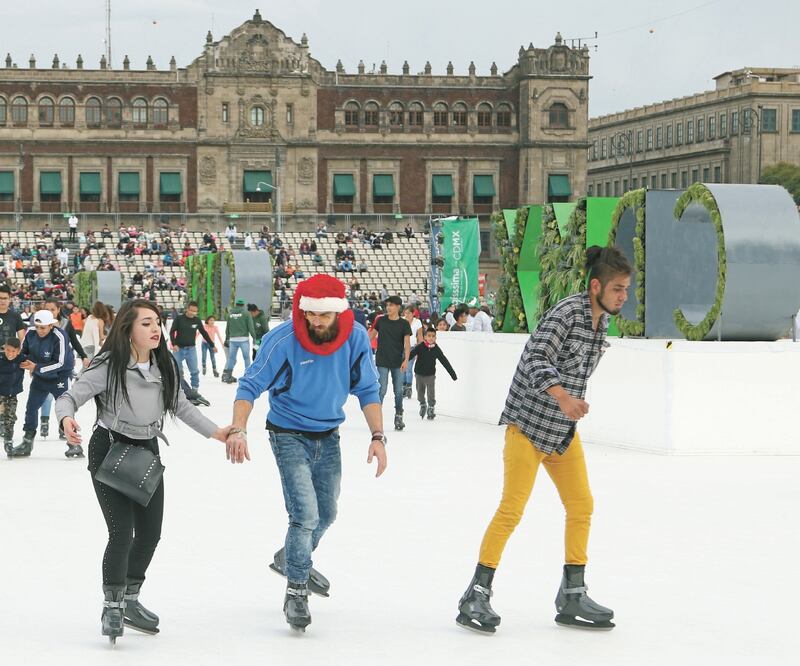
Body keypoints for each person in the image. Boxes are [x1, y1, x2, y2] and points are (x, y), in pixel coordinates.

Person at [455, 246, 632, 634]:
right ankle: (476, 593)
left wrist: (568, 406)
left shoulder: (601, 323)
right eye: (618, 288)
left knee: (581, 504)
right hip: (529, 425)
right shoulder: (567, 313)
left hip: (561, 431)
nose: (623, 296)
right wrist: (564, 397)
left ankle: (572, 592)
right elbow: (534, 357)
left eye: (626, 289)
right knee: (512, 509)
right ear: (596, 285)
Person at [56, 299, 232, 644]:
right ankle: (112, 605)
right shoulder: (108, 365)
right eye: (146, 323)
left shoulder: (164, 363)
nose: (155, 329)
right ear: (128, 329)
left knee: (150, 533)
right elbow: (70, 397)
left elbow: (181, 406)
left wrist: (217, 432)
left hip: (146, 449)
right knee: (122, 532)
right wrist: (66, 418)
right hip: (109, 450)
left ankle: (131, 599)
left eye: (157, 323)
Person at [226, 274, 387, 632]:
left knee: (326, 514)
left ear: (338, 314)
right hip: (287, 434)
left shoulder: (356, 338)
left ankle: (291, 557)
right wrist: (239, 428)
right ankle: (296, 591)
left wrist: (378, 436)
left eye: (323, 316)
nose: (315, 321)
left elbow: (368, 388)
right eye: (309, 314)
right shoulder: (282, 339)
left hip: (328, 434)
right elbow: (250, 385)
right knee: (305, 515)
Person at [11, 310, 79, 458]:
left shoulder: (59, 336)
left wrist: (36, 367)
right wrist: (16, 358)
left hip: (59, 378)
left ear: (51, 325)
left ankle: (74, 444)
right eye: (37, 326)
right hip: (40, 378)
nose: (40, 330)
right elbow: (24, 352)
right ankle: (27, 442)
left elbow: (60, 362)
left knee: (64, 409)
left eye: (43, 327)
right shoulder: (30, 334)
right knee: (31, 408)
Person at [369, 295, 411, 431]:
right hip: (382, 361)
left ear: (398, 307)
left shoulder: (404, 324)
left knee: (398, 391)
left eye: (391, 305)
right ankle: (376, 418)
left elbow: (407, 344)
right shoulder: (380, 321)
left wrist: (406, 360)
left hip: (397, 362)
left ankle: (399, 416)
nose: (388, 308)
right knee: (381, 390)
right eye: (387, 305)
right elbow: (370, 336)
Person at [408, 327, 457, 420]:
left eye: (433, 336)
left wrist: (452, 374)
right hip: (419, 374)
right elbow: (410, 355)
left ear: (435, 338)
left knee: (431, 393)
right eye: (429, 336)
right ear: (425, 337)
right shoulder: (420, 347)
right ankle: (423, 404)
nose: (431, 338)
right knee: (420, 393)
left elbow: (444, 361)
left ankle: (431, 407)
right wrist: (402, 362)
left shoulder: (436, 349)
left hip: (430, 375)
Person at [170, 302, 215, 392]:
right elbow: (172, 332)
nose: (192, 313)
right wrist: (174, 344)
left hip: (191, 349)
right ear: (187, 309)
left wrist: (212, 345)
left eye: (195, 311)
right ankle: (180, 389)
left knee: (194, 371)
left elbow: (203, 333)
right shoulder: (179, 319)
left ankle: (195, 389)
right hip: (178, 348)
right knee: (177, 370)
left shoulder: (197, 320)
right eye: (191, 310)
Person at [0, 337, 25, 455]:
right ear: (4, 348)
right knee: (2, 413)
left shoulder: (22, 359)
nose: (10, 354)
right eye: (8, 350)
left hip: (12, 394)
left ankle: (8, 440)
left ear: (18, 351)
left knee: (10, 418)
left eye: (13, 351)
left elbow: (34, 362)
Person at [222, 299, 255, 383]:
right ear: (243, 305)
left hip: (233, 340)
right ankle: (248, 375)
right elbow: (250, 327)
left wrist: (227, 338)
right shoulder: (246, 313)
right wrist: (254, 337)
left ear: (236, 305)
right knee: (246, 357)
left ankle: (228, 376)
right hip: (244, 339)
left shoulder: (230, 314)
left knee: (231, 358)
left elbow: (227, 328)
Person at [401, 305, 423, 398]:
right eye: (405, 313)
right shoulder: (401, 321)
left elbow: (420, 336)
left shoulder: (417, 322)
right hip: (401, 347)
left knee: (409, 368)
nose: (407, 315)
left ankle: (408, 387)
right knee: (402, 368)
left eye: (409, 313)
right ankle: (403, 387)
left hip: (412, 348)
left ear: (413, 313)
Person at [0, 285, 28, 355]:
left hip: (10, 356)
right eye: (0, 298)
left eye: (5, 298)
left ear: (10, 299)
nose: (2, 301)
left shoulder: (16, 316)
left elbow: (22, 339)